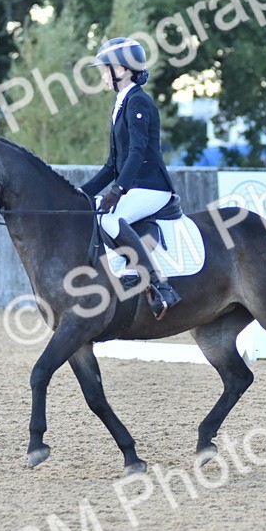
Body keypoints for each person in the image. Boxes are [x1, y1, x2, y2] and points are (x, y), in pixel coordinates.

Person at [80, 37, 181, 320]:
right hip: (134, 186)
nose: (102, 74)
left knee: (108, 217)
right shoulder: (120, 104)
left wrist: (118, 190)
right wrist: (80, 193)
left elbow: (137, 152)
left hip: (152, 186)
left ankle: (159, 284)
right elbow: (113, 164)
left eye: (105, 68)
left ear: (122, 70)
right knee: (93, 210)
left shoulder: (139, 101)